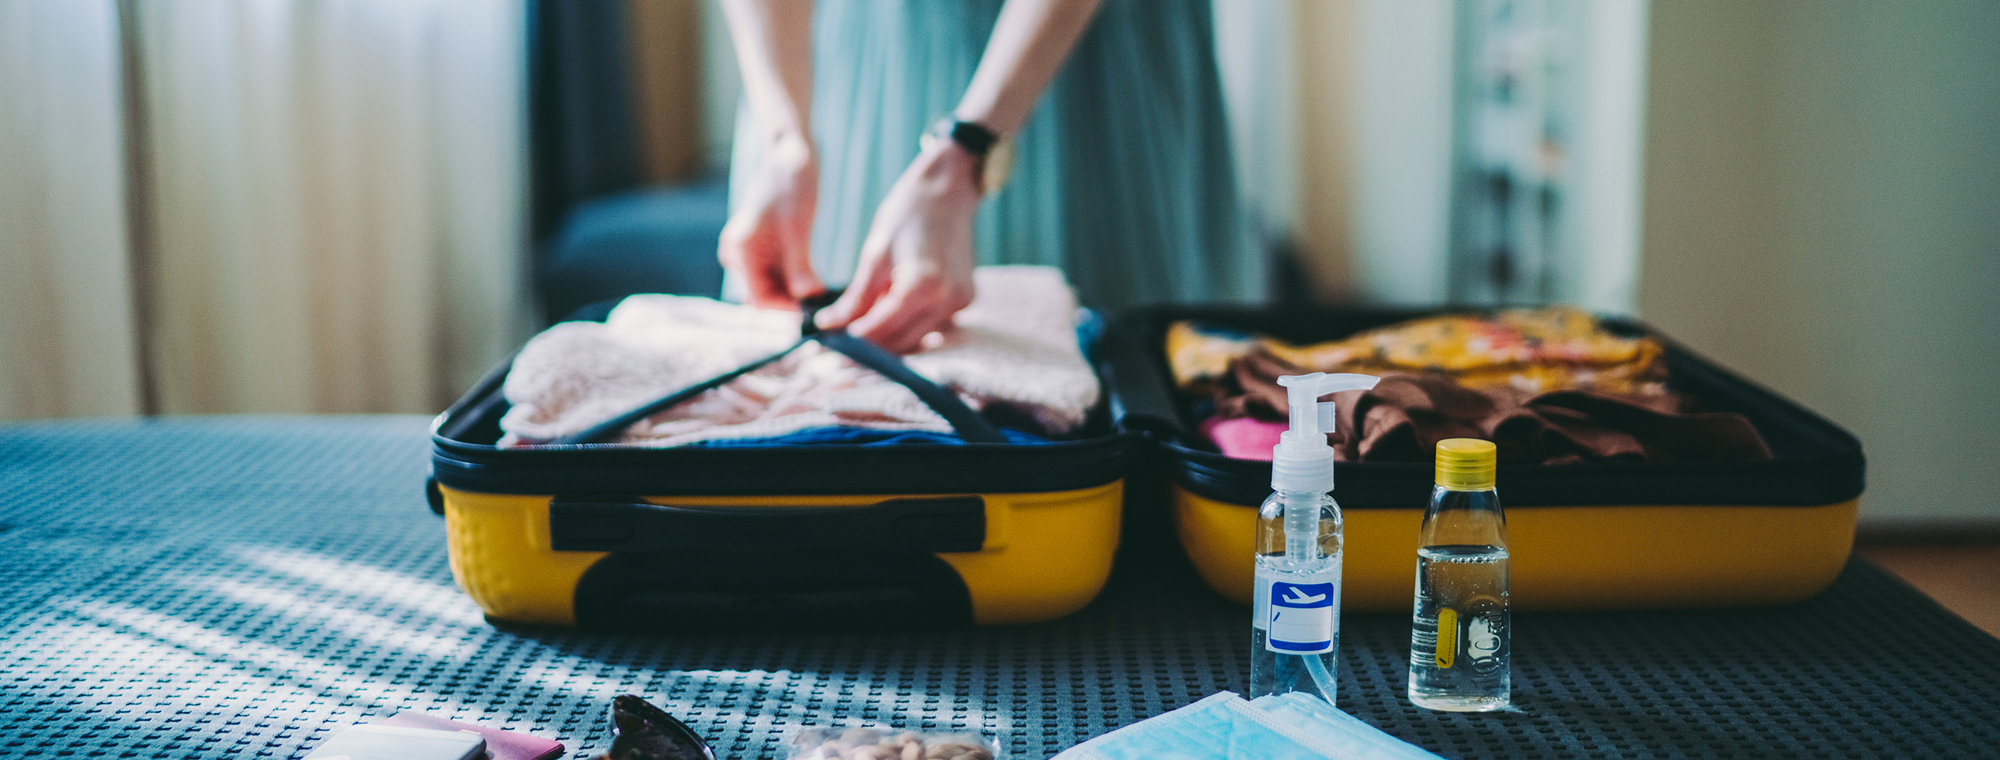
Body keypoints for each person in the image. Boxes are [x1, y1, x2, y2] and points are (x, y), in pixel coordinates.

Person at [717, 0, 1260, 353]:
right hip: (852, 56)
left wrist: (967, 152)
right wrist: (785, 138)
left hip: (1087, 61)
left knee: (1115, 400)